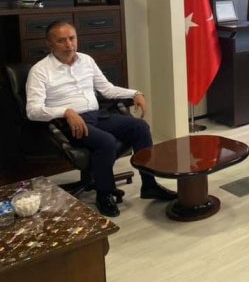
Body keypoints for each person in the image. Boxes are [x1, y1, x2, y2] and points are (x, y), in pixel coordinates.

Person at [25, 21, 176, 217]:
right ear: (50, 44)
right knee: (106, 141)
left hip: (97, 115)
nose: (69, 45)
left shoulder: (86, 60)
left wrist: (135, 93)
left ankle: (149, 185)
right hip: (70, 123)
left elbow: (107, 89)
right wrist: (66, 112)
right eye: (61, 41)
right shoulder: (40, 70)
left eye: (72, 38)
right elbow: (33, 111)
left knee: (140, 127)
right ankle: (104, 194)